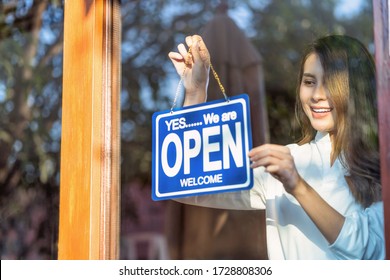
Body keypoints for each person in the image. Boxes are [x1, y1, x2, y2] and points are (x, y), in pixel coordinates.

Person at [167, 34, 385, 260]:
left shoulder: (382, 165)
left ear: (356, 89)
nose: (317, 95)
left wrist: (299, 187)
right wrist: (195, 92)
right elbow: (187, 188)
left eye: (331, 83)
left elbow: (370, 249)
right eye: (309, 82)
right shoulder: (284, 163)